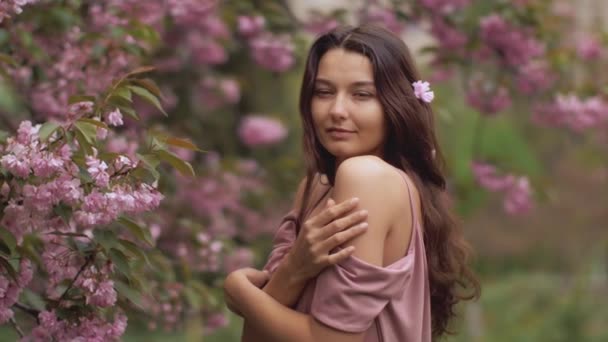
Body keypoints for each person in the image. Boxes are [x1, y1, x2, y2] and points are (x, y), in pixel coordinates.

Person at [223, 24, 480, 342]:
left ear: (396, 105)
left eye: (362, 95)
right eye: (324, 92)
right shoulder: (315, 187)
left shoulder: (366, 177)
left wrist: (238, 290)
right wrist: (294, 268)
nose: (337, 110)